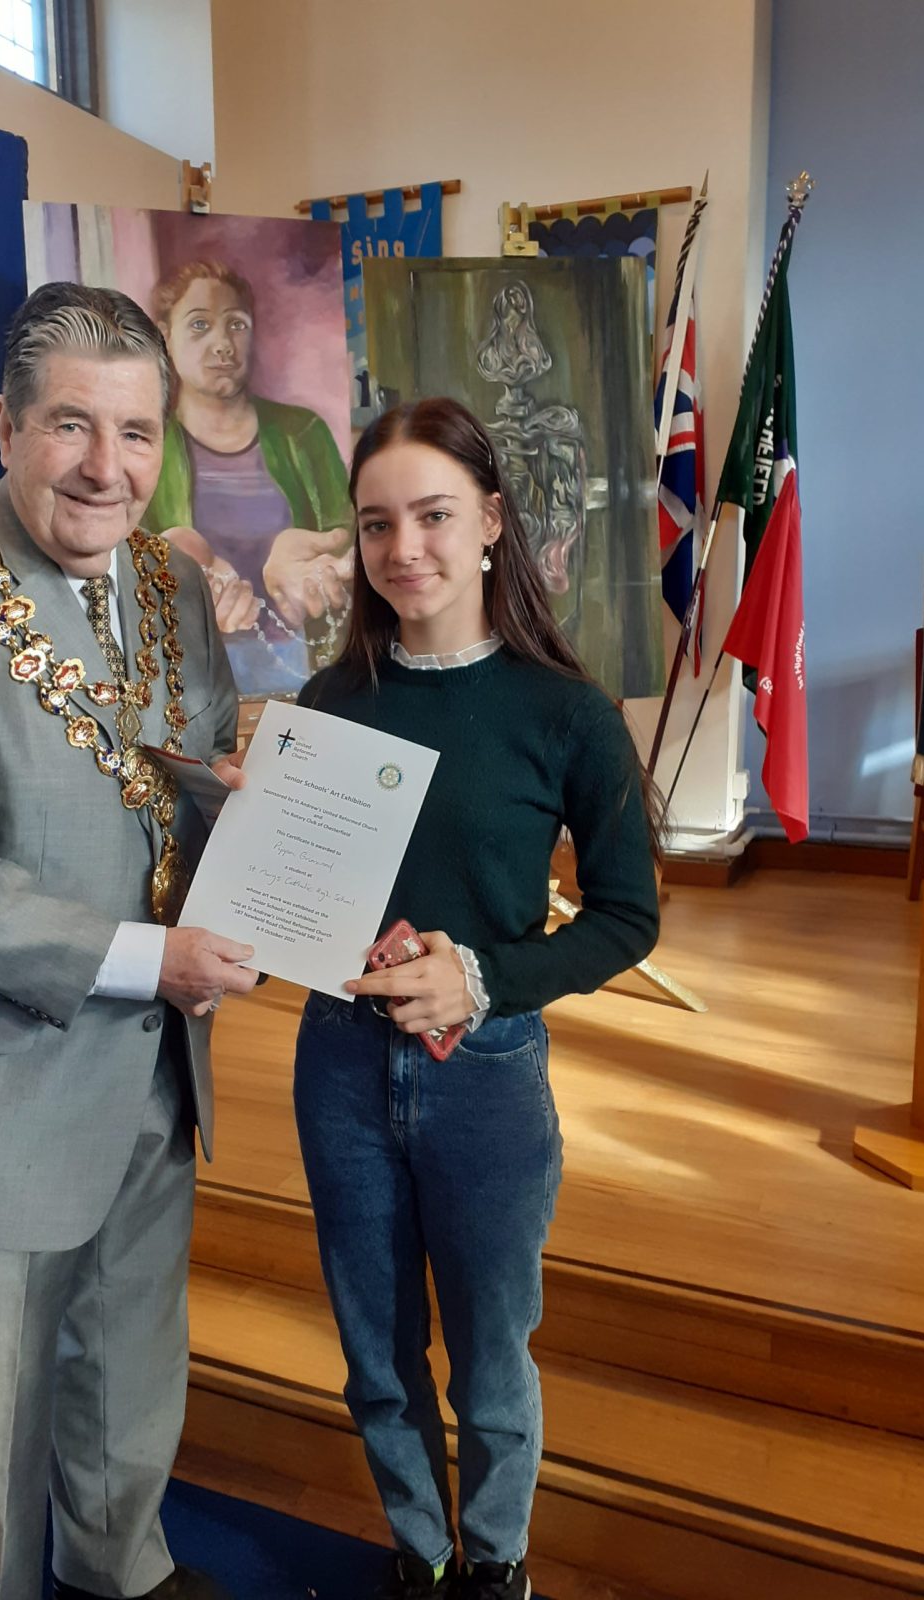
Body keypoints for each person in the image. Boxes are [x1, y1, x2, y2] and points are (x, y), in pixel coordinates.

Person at [0, 282, 259, 1600]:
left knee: (130, 1368)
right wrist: (151, 959)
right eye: (71, 425)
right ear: (7, 424)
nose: (105, 467)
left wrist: (262, 816)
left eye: (135, 433)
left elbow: (190, 770)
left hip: (153, 1066)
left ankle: (120, 1567)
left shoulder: (171, 585)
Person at [293, 398, 662, 1600]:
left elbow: (628, 917)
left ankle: (496, 1563)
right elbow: (294, 900)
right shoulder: (328, 702)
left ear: (493, 521)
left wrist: (484, 975)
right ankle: (424, 1552)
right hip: (340, 1064)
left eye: (435, 515)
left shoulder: (568, 713)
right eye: (377, 523)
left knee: (492, 1358)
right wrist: (257, 839)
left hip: (488, 1074)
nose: (405, 548)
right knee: (376, 1352)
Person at [147, 258, 353, 692]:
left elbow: (351, 539)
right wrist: (181, 575)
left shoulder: (304, 433)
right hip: (186, 680)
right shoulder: (146, 446)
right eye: (199, 325)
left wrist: (320, 566)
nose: (223, 344)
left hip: (305, 669)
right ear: (165, 336)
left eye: (236, 324)